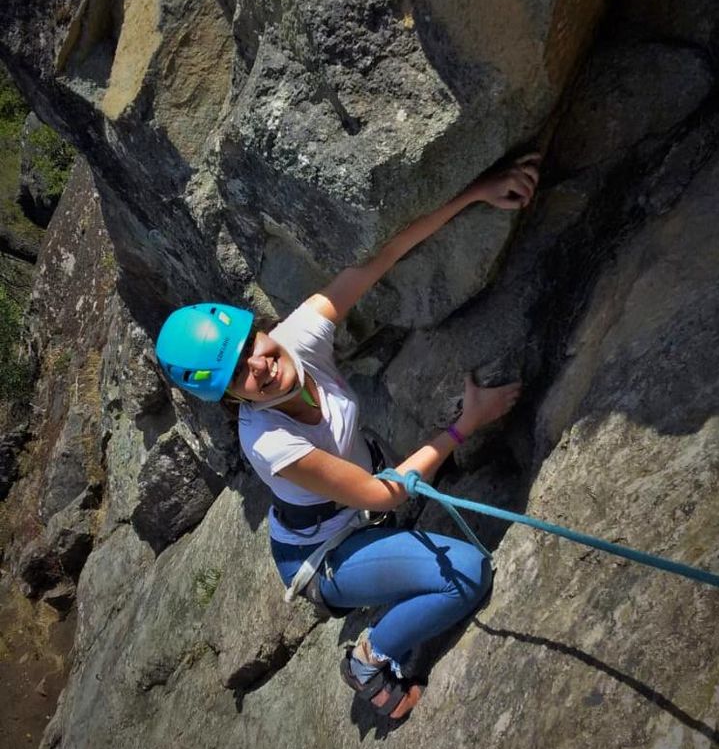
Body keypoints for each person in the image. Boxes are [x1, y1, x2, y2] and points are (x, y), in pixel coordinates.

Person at [155, 155, 540, 719]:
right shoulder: (271, 446)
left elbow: (381, 258)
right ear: (232, 399)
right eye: (238, 375)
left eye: (249, 349)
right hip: (327, 553)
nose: (258, 367)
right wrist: (465, 424)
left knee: (441, 564)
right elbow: (385, 494)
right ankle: (368, 657)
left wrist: (476, 191)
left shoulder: (298, 336)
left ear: (259, 328)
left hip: (356, 513)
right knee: (467, 575)